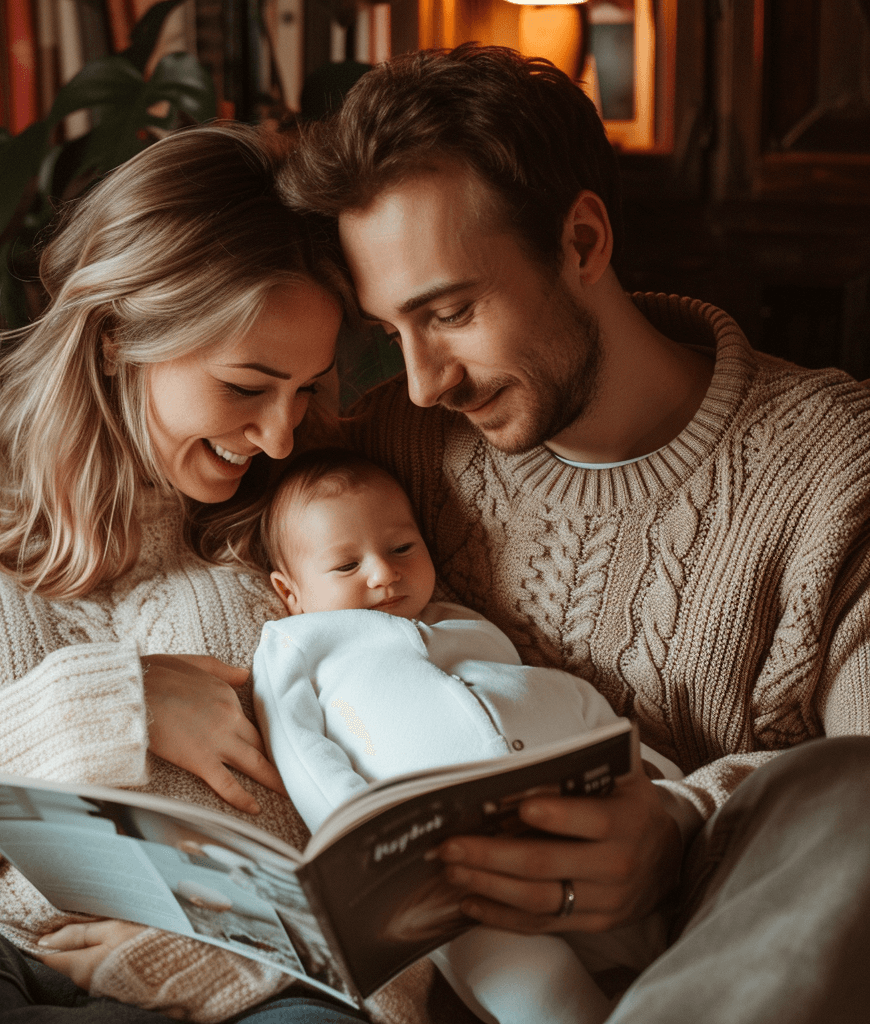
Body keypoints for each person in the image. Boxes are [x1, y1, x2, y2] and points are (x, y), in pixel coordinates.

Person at [276, 44, 870, 1022]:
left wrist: (686, 819)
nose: (426, 381)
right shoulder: (392, 446)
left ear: (582, 240)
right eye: (393, 333)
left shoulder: (831, 469)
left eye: (452, 312)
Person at [0, 124, 432, 1024]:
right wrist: (108, 707)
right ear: (117, 336)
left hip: (260, 995)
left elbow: (426, 841)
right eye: (246, 386)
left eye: (306, 389)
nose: (280, 436)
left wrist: (230, 956)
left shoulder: (314, 546)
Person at [251, 446, 683, 1024]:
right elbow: (300, 750)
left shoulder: (464, 622)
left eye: (402, 548)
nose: (384, 573)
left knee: (668, 940)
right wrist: (363, 836)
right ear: (290, 593)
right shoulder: (299, 644)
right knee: (535, 982)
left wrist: (655, 776)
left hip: (571, 822)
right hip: (448, 875)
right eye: (346, 566)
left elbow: (545, 694)